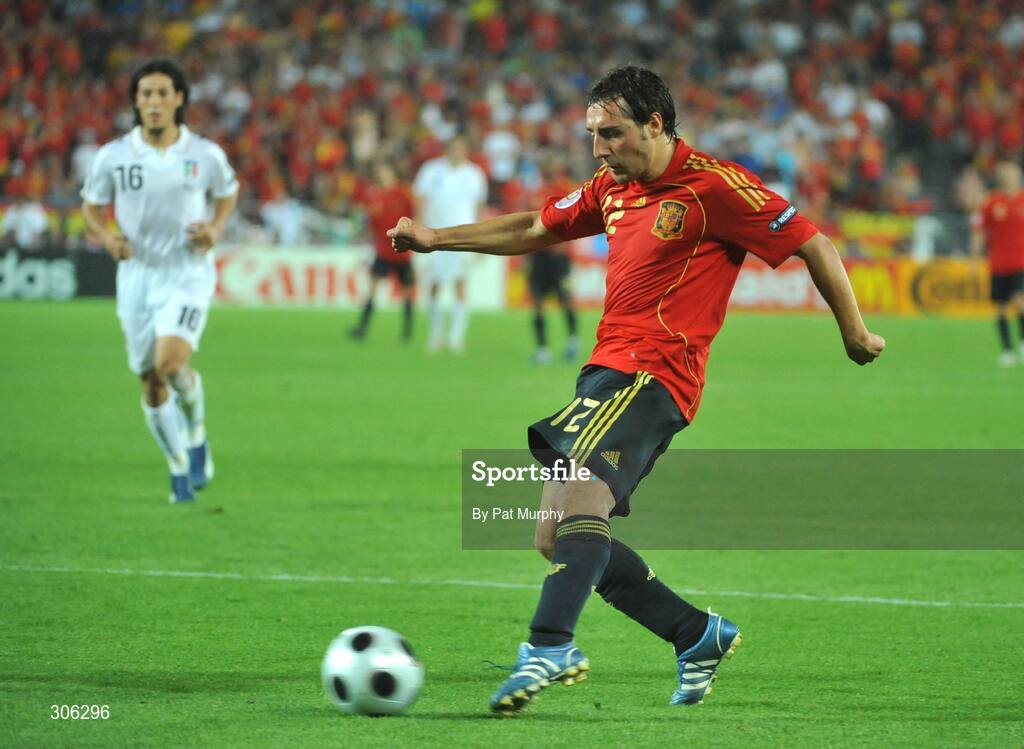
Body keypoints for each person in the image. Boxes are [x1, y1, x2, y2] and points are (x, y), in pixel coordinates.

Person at [388, 66, 885, 714]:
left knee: (580, 505)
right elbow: (535, 228)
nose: (599, 149)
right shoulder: (612, 188)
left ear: (655, 124)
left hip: (654, 373)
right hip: (606, 371)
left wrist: (854, 332)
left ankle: (549, 645)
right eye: (593, 135)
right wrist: (436, 239)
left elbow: (812, 243)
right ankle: (694, 632)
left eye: (611, 134)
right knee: (554, 535)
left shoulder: (714, 187)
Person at [81, 59, 238, 503]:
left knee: (169, 365)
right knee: (151, 380)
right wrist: (106, 236)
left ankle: (196, 433)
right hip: (137, 276)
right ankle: (178, 464)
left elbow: (228, 192)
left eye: (161, 93)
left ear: (178, 99)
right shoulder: (113, 156)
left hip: (187, 272)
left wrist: (216, 227)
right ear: (136, 101)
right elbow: (91, 205)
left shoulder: (204, 154)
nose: (153, 102)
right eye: (145, 94)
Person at [412, 135, 487, 352]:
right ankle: (435, 334)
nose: (457, 152)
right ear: (447, 150)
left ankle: (456, 337)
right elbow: (420, 202)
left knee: (460, 284)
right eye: (454, 148)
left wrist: (481, 240)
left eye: (461, 149)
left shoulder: (474, 174)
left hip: (462, 237)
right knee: (434, 285)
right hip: (434, 235)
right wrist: (417, 233)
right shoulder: (431, 170)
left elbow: (479, 209)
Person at [350, 160, 416, 341]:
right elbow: (372, 223)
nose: (382, 176)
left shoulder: (403, 193)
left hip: (402, 250)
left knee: (407, 291)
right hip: (383, 251)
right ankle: (362, 327)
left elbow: (414, 215)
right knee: (372, 287)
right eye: (380, 173)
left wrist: (414, 240)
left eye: (385, 172)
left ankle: (407, 331)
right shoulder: (375, 196)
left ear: (393, 174)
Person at [970, 160, 1024, 367]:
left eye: (1012, 172)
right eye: (1005, 172)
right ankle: (1007, 350)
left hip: (1020, 262)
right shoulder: (991, 202)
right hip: (998, 264)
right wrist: (974, 259)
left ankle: (1022, 342)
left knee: (1019, 301)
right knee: (1000, 308)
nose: (1009, 175)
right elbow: (979, 232)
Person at [527, 162, 580, 364]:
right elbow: (528, 226)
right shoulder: (535, 193)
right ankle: (542, 349)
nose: (548, 169)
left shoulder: (566, 190)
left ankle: (573, 340)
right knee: (537, 303)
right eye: (546, 166)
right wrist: (525, 256)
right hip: (538, 256)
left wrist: (565, 243)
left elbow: (577, 219)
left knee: (565, 298)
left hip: (559, 257)